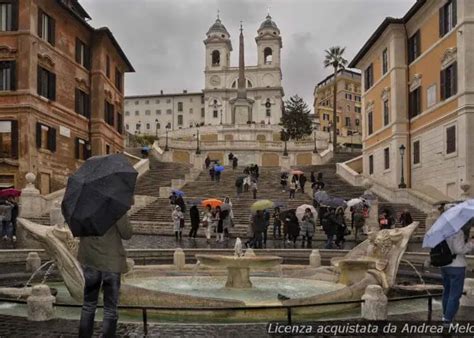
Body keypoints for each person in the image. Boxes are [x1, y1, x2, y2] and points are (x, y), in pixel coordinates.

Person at [78, 214, 133, 338]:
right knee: (110, 309)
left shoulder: (85, 206)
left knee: (88, 305)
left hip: (90, 259)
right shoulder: (114, 207)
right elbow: (127, 233)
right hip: (111, 262)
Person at [441, 222, 473, 323]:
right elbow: (459, 250)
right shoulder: (458, 232)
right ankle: (448, 320)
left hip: (444, 265)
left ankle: (445, 315)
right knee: (454, 295)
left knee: (447, 292)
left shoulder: (443, 231)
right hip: (457, 266)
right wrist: (471, 243)